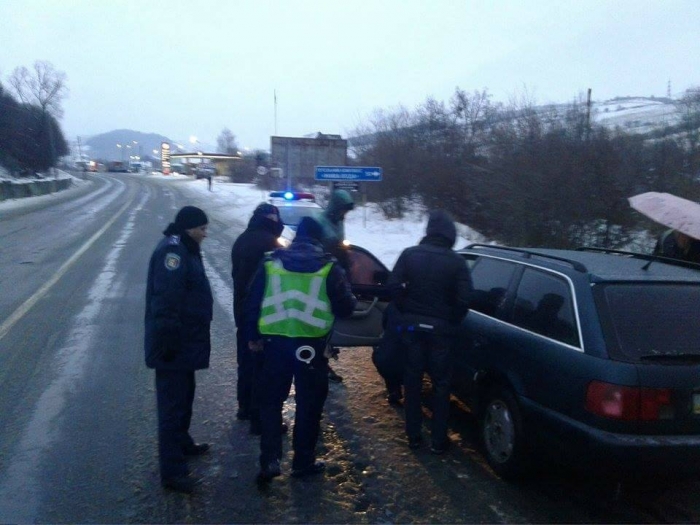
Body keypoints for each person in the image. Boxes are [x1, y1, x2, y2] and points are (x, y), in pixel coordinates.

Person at [243, 217, 356, 482]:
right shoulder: (329, 267)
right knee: (309, 405)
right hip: (312, 348)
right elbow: (346, 308)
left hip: (273, 344)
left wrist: (252, 336)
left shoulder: (271, 262)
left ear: (296, 237)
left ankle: (270, 460)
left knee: (270, 402)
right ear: (318, 239)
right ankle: (302, 462)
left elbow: (252, 301)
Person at [388, 209, 472, 455]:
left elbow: (392, 286)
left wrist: (404, 309)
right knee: (441, 384)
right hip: (441, 332)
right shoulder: (456, 262)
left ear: (428, 232)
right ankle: (438, 440)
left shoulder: (410, 254)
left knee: (412, 382)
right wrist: (451, 321)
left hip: (412, 329)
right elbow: (464, 300)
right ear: (450, 235)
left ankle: (414, 436)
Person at [144, 206, 213, 494]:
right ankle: (172, 472)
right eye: (202, 229)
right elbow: (166, 300)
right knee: (171, 407)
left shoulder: (186, 247)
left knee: (184, 396)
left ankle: (182, 443)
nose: (205, 234)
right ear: (189, 228)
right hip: (174, 343)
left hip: (186, 341)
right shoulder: (173, 254)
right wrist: (168, 339)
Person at [230, 203, 284, 434]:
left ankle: (244, 407)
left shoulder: (242, 239)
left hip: (242, 310)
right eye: (276, 217)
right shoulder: (269, 243)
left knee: (245, 360)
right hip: (262, 312)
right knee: (261, 366)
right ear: (270, 219)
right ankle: (258, 417)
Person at [317, 188, 356, 382]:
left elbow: (341, 243)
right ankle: (319, 361)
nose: (344, 214)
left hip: (336, 272)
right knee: (322, 318)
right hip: (321, 275)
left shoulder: (339, 222)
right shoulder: (320, 221)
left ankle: (324, 357)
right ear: (335, 207)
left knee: (331, 320)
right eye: (343, 210)